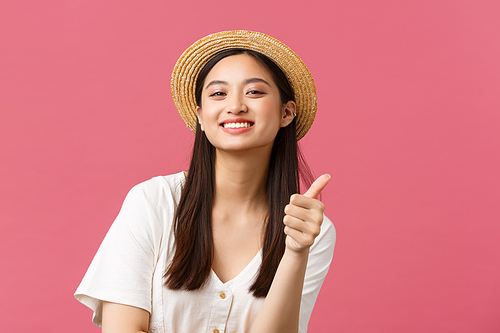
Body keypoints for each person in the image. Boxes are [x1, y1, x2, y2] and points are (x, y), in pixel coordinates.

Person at [75, 30, 336, 333]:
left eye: (254, 92)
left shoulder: (311, 231)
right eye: (218, 94)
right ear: (200, 115)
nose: (236, 105)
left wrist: (295, 252)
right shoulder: (152, 202)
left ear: (286, 113)